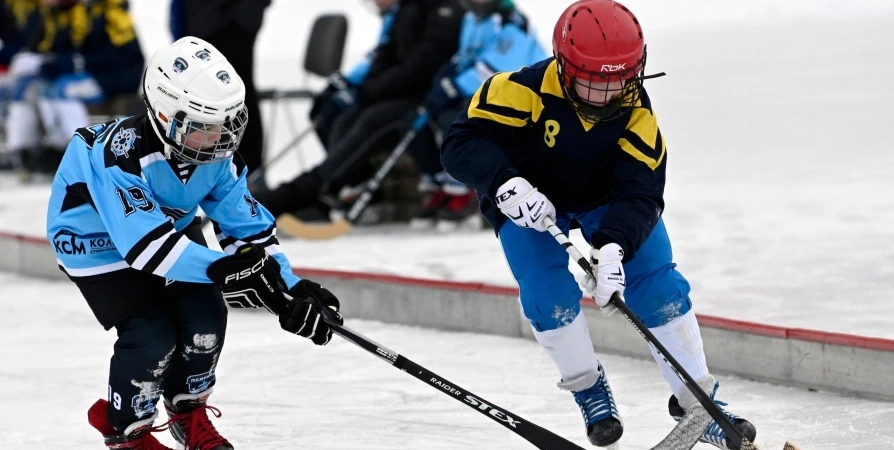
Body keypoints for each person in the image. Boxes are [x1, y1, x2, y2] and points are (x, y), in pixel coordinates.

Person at [440, 1, 757, 448]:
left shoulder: (637, 111)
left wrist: (613, 248)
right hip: (528, 201)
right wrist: (505, 184)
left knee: (660, 287)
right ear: (563, 64)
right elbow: (459, 143)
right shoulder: (518, 89)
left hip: (605, 200)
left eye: (619, 80)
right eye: (592, 80)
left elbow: (642, 193)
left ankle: (698, 402)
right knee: (545, 294)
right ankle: (589, 389)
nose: (606, 94)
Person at [45, 37, 343, 449]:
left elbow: (246, 228)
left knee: (205, 315)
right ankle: (124, 429)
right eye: (206, 127)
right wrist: (225, 268)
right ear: (166, 116)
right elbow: (146, 249)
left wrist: (290, 288)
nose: (222, 138)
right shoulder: (122, 157)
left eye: (228, 124)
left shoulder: (215, 154)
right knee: (151, 335)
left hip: (164, 229)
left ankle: (187, 411)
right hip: (96, 243)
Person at [254, 0, 464, 221]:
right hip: (399, 92)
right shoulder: (406, 9)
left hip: (427, 97)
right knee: (342, 114)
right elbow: (385, 54)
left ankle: (296, 193)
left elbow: (423, 65)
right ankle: (334, 191)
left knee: (372, 122)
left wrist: (375, 89)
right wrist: (363, 89)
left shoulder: (444, 9)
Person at [407, 0, 546, 231]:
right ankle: (442, 185)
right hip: (487, 92)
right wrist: (445, 75)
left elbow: (498, 71)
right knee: (416, 120)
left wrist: (453, 87)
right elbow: (466, 57)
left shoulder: (513, 22)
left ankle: (467, 190)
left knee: (458, 121)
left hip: (521, 99)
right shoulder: (471, 18)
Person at [0, 0, 144, 176]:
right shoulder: (58, 13)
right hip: (87, 75)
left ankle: (80, 152)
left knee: (61, 90)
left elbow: (120, 58)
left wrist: (71, 63)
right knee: (31, 87)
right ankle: (27, 151)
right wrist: (46, 62)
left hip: (116, 78)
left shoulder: (106, 12)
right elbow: (40, 46)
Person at [169, 0, 272, 175]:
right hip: (200, 22)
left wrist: (242, 18)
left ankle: (246, 173)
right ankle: (211, 174)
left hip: (229, 24)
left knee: (235, 97)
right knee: (204, 101)